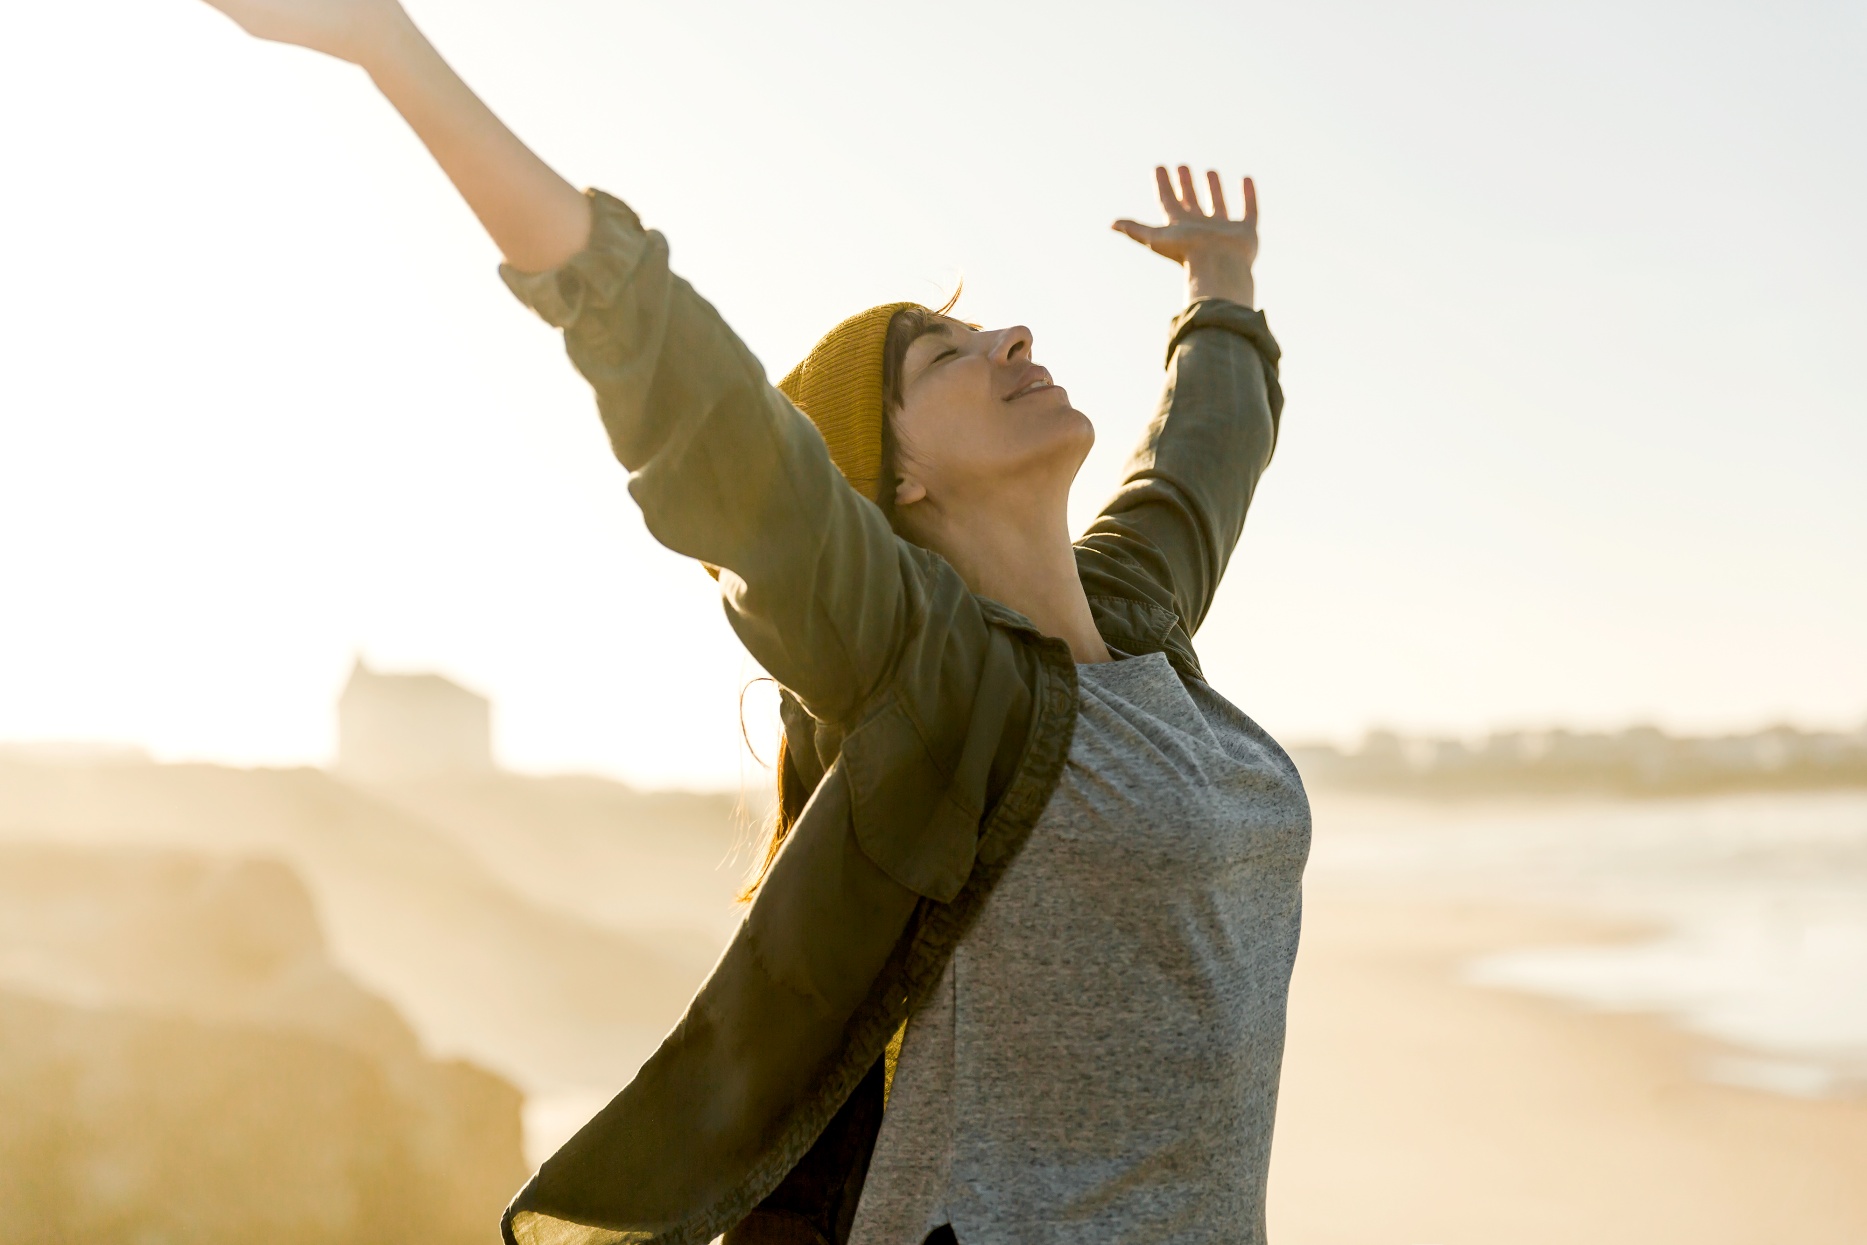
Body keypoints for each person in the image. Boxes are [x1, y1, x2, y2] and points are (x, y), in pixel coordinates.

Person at [200, 2, 1311, 1243]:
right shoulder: (923, 671)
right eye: (941, 358)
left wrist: (1221, 284)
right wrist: (387, 47)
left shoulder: (1138, 619)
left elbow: (1201, 453)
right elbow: (694, 397)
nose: (1008, 335)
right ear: (894, 484)